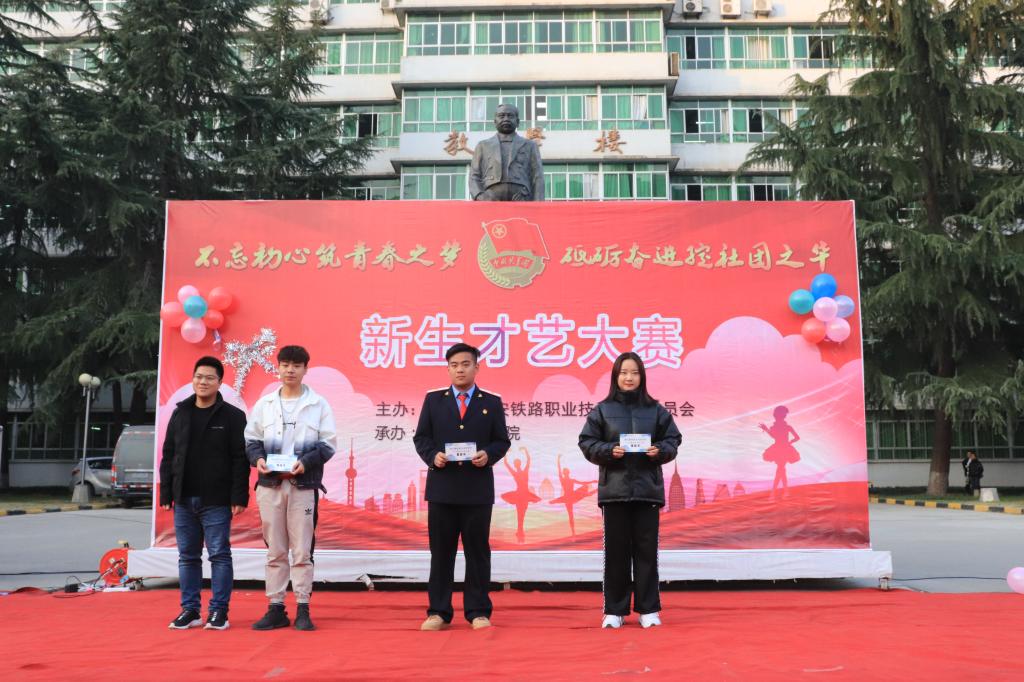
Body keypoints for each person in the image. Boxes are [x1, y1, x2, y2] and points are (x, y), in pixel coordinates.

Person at [578, 352, 681, 630]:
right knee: (616, 553)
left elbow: (673, 440)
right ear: (615, 376)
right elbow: (587, 442)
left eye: (634, 372)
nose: (629, 377)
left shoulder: (656, 410)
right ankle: (615, 610)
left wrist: (660, 451)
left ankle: (649, 609)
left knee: (647, 552)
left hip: (648, 491)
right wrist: (608, 450)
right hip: (614, 491)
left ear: (642, 376)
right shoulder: (602, 410)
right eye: (624, 372)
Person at [413, 343, 511, 631]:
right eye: (454, 365)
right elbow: (421, 438)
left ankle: (478, 611)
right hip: (442, 490)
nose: (460, 370)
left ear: (476, 367)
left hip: (477, 491)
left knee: (477, 553)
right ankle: (438, 612)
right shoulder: (434, 400)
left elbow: (502, 441)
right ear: (448, 369)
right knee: (441, 554)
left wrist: (488, 455)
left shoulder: (491, 402)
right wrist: (433, 456)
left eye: (465, 364)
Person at [245, 345, 337, 631]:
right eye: (285, 364)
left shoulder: (318, 404)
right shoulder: (265, 404)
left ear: (305, 369)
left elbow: (329, 444)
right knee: (275, 549)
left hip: (302, 485)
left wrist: (305, 462)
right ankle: (275, 608)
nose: (290, 370)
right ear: (278, 367)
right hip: (270, 485)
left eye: (296, 365)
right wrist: (258, 460)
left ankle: (303, 607)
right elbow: (251, 440)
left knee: (301, 550)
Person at [160, 356, 249, 631]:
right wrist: (166, 492)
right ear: (193, 379)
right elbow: (169, 455)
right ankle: (190, 610)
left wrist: (238, 497)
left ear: (220, 382)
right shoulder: (180, 413)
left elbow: (240, 459)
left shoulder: (233, 416)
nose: (203, 382)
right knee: (187, 556)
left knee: (219, 555)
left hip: (217, 500)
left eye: (210, 378)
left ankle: (219, 611)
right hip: (183, 499)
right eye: (199, 376)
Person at [469, 103, 544, 201]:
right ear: (495, 121)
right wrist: (481, 196)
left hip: (522, 198)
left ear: (517, 122)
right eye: (501, 116)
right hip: (491, 199)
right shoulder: (483, 146)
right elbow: (474, 176)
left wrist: (538, 204)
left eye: (510, 116)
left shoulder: (530, 145)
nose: (506, 119)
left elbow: (537, 176)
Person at [758, 406, 801, 499]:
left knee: (780, 469)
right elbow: (796, 438)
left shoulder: (785, 427)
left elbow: (796, 437)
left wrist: (789, 443)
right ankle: (783, 492)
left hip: (781, 449)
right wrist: (766, 430)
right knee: (781, 470)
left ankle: (775, 493)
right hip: (781, 449)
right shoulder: (783, 427)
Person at [501, 447, 541, 543]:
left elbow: (528, 461)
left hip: (522, 495)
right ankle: (520, 532)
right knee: (520, 515)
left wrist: (525, 451)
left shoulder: (521, 472)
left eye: (517, 463)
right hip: (521, 495)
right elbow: (507, 464)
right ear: (517, 465)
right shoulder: (519, 472)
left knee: (521, 515)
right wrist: (524, 451)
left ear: (518, 464)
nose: (516, 464)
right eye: (516, 463)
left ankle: (520, 532)